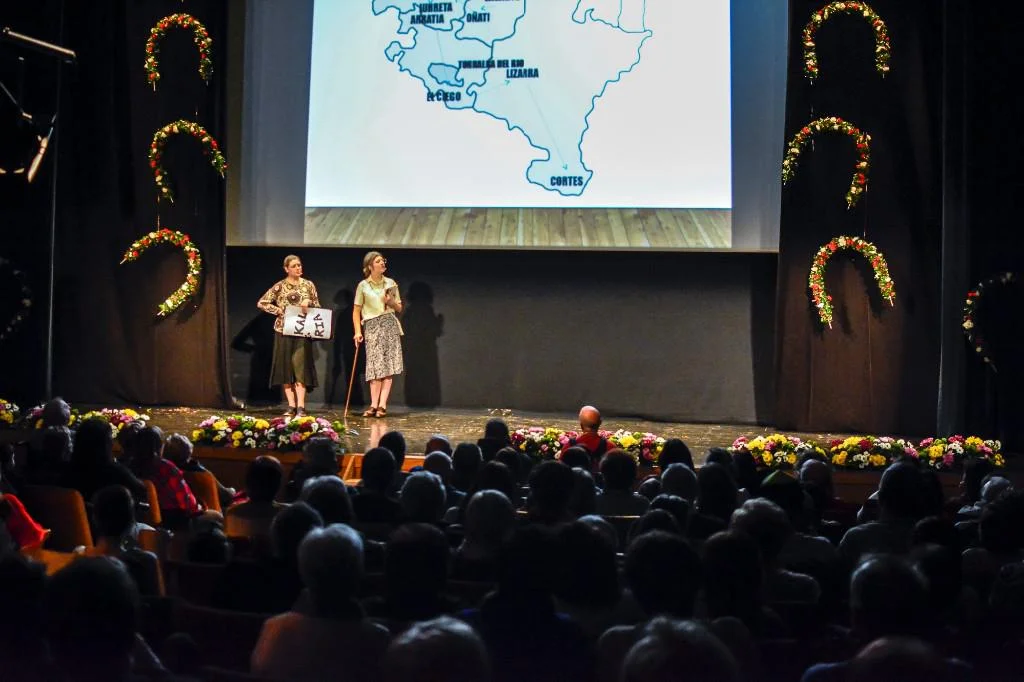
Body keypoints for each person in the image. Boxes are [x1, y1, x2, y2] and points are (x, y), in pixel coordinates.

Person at [257, 254, 321, 417]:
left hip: (302, 331)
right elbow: (262, 302)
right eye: (294, 266)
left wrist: (309, 304)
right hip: (283, 331)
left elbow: (318, 305)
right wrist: (278, 310)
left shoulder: (308, 285)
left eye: (299, 265)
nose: (298, 268)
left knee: (300, 368)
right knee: (286, 369)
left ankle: (301, 406)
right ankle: (291, 405)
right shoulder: (280, 286)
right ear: (286, 269)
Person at [352, 250, 403, 418]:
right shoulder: (363, 285)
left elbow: (399, 308)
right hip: (372, 326)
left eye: (383, 261)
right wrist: (357, 331)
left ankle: (382, 405)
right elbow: (356, 310)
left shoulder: (390, 283)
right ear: (370, 266)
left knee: (387, 365)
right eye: (378, 261)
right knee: (374, 366)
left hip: (389, 324)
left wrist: (391, 302)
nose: (382, 263)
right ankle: (373, 404)